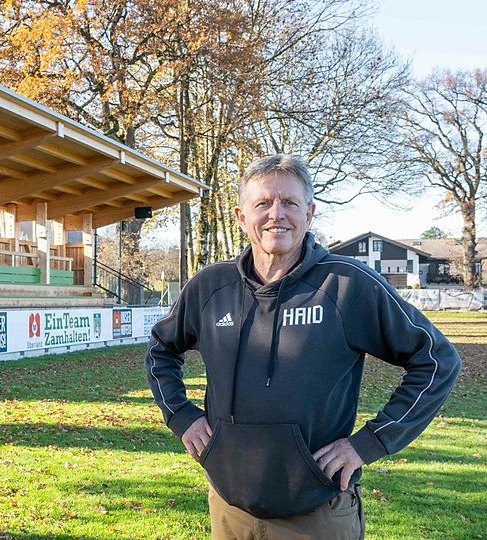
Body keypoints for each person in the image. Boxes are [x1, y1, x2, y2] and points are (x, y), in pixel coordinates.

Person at [145, 155, 461, 539]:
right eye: (263, 203)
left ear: (309, 213)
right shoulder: (210, 287)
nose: (276, 214)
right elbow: (161, 348)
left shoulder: (346, 285)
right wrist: (180, 414)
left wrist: (370, 442)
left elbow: (437, 360)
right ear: (241, 216)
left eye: (290, 203)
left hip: (316, 511)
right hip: (229, 508)